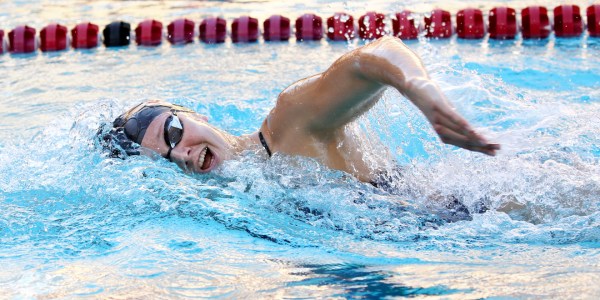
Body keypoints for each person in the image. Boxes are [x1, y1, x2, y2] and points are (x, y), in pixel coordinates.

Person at [102, 36, 500, 185]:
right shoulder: (250, 191)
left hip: (476, 214)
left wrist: (419, 87)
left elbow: (374, 56)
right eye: (165, 161)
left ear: (194, 114)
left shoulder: (287, 123)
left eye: (173, 134)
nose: (182, 155)